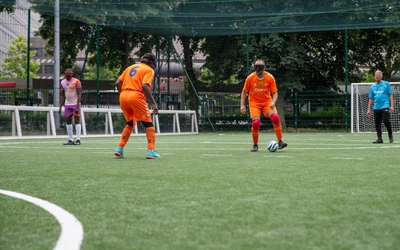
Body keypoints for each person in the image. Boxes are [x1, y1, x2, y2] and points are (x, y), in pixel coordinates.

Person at [114, 52, 161, 159]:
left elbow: (117, 83)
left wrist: (123, 94)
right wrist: (153, 103)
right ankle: (150, 150)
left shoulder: (130, 67)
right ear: (152, 63)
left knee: (130, 123)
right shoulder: (149, 70)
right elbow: (144, 85)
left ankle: (119, 148)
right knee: (148, 124)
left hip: (123, 95)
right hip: (136, 96)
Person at [240, 59, 287, 152]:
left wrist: (273, 102)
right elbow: (244, 91)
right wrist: (242, 105)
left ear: (264, 68)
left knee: (275, 118)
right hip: (254, 103)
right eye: (256, 68)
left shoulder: (270, 77)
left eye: (260, 68)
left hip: (267, 102)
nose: (258, 71)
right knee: (256, 123)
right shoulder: (250, 78)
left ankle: (280, 141)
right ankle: (255, 145)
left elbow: (275, 92)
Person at [367, 70, 394, 143]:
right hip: (376, 107)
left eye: (378, 75)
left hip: (385, 105)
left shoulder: (386, 84)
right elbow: (371, 98)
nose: (377, 76)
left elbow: (390, 95)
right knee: (377, 123)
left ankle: (390, 135)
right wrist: (368, 109)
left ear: (381, 76)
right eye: (376, 75)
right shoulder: (373, 87)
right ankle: (379, 138)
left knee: (385, 120)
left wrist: (392, 106)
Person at [59, 68, 82, 145]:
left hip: (75, 103)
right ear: (65, 74)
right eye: (67, 75)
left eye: (70, 75)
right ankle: (71, 139)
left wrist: (77, 106)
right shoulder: (62, 82)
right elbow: (62, 95)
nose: (68, 76)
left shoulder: (76, 81)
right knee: (68, 120)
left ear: (72, 74)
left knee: (76, 120)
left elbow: (79, 94)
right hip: (67, 104)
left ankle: (78, 139)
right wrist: (60, 107)